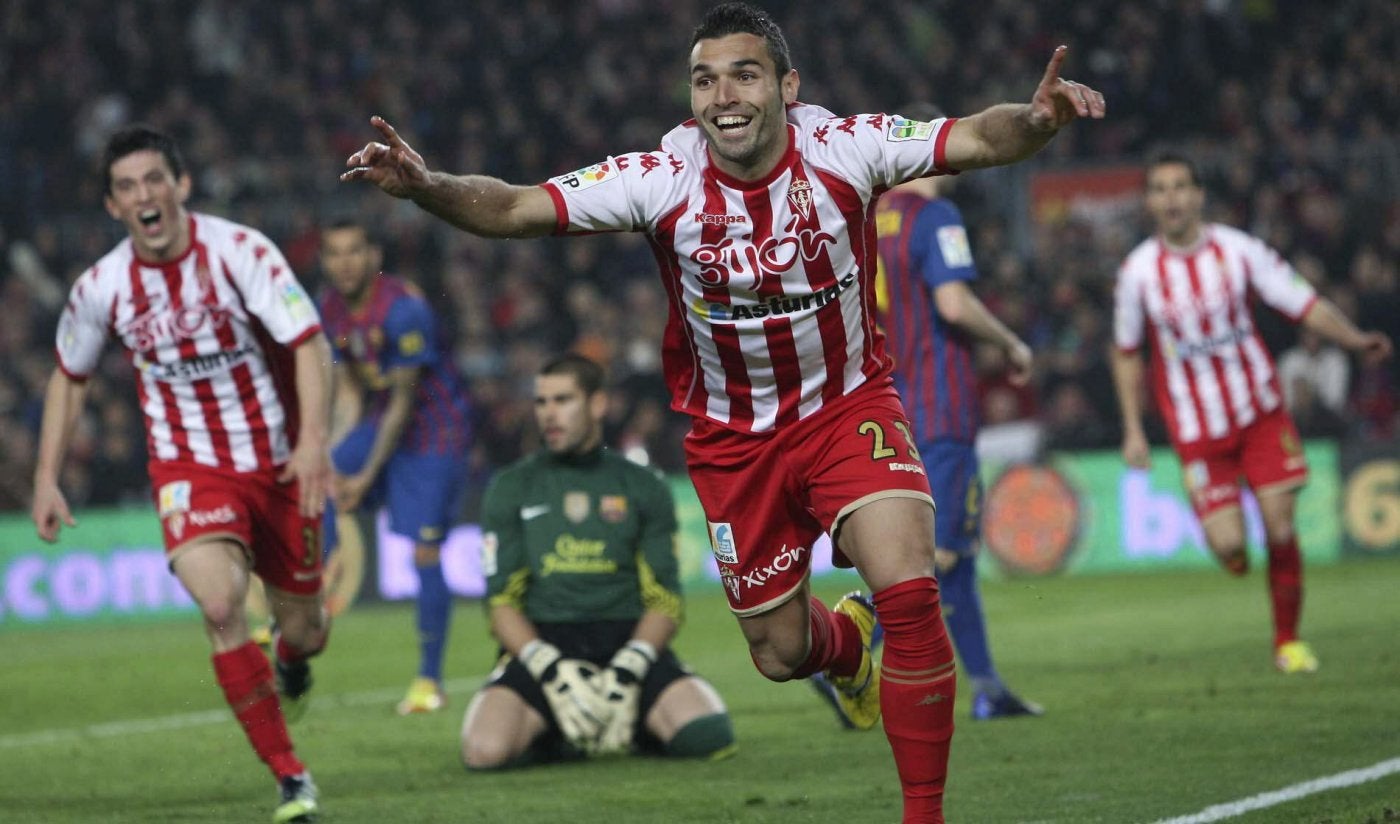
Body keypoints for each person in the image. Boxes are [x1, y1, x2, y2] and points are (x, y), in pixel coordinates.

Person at [343, 5, 1104, 819]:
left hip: (848, 406)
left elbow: (979, 138)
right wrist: (427, 188)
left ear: (787, 85)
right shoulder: (660, 179)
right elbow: (515, 209)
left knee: (912, 589)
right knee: (780, 654)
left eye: (744, 74)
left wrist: (1033, 120)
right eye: (705, 79)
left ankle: (925, 811)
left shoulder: (844, 147)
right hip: (733, 441)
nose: (724, 95)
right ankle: (846, 650)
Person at [31, 125, 333, 824]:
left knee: (308, 628)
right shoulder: (102, 286)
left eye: (155, 180)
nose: (146, 196)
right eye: (128, 186)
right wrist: (46, 476)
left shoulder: (241, 252)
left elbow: (308, 340)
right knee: (222, 606)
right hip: (190, 467)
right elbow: (69, 379)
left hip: (281, 463)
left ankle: (291, 657)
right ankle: (291, 777)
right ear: (113, 206)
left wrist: (314, 439)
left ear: (182, 185)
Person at [1110, 152, 1392, 674]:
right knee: (1232, 550)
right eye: (1160, 189)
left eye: (1180, 187)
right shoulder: (1138, 274)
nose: (1171, 198)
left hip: (1260, 412)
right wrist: (1133, 429)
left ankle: (1288, 641)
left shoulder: (1239, 251)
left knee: (1281, 528)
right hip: (1198, 431)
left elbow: (1302, 304)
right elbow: (1126, 352)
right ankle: (1232, 545)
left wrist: (1353, 340)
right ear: (1150, 202)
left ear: (1198, 196)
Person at [819, 101, 1041, 721]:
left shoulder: (861, 220)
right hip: (940, 408)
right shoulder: (935, 214)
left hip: (881, 410)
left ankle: (989, 689)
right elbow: (951, 302)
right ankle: (851, 649)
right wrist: (1011, 342)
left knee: (958, 557)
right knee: (933, 556)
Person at [461, 353, 735, 768]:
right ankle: (558, 725)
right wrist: (548, 668)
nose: (549, 414)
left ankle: (623, 720)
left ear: (597, 405)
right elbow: (501, 603)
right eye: (541, 402)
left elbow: (665, 598)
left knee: (706, 734)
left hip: (626, 642)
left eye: (563, 400)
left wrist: (632, 665)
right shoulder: (511, 487)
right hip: (544, 646)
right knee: (484, 752)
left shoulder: (643, 486)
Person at [316, 217, 474, 715]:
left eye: (354, 250)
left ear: (373, 257)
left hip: (434, 433)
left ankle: (429, 680)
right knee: (316, 479)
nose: (345, 262)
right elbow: (349, 389)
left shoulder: (404, 311)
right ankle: (316, 597)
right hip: (382, 421)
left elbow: (405, 403)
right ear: (325, 262)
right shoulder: (332, 310)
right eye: (334, 252)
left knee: (425, 552)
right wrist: (335, 452)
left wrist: (363, 477)